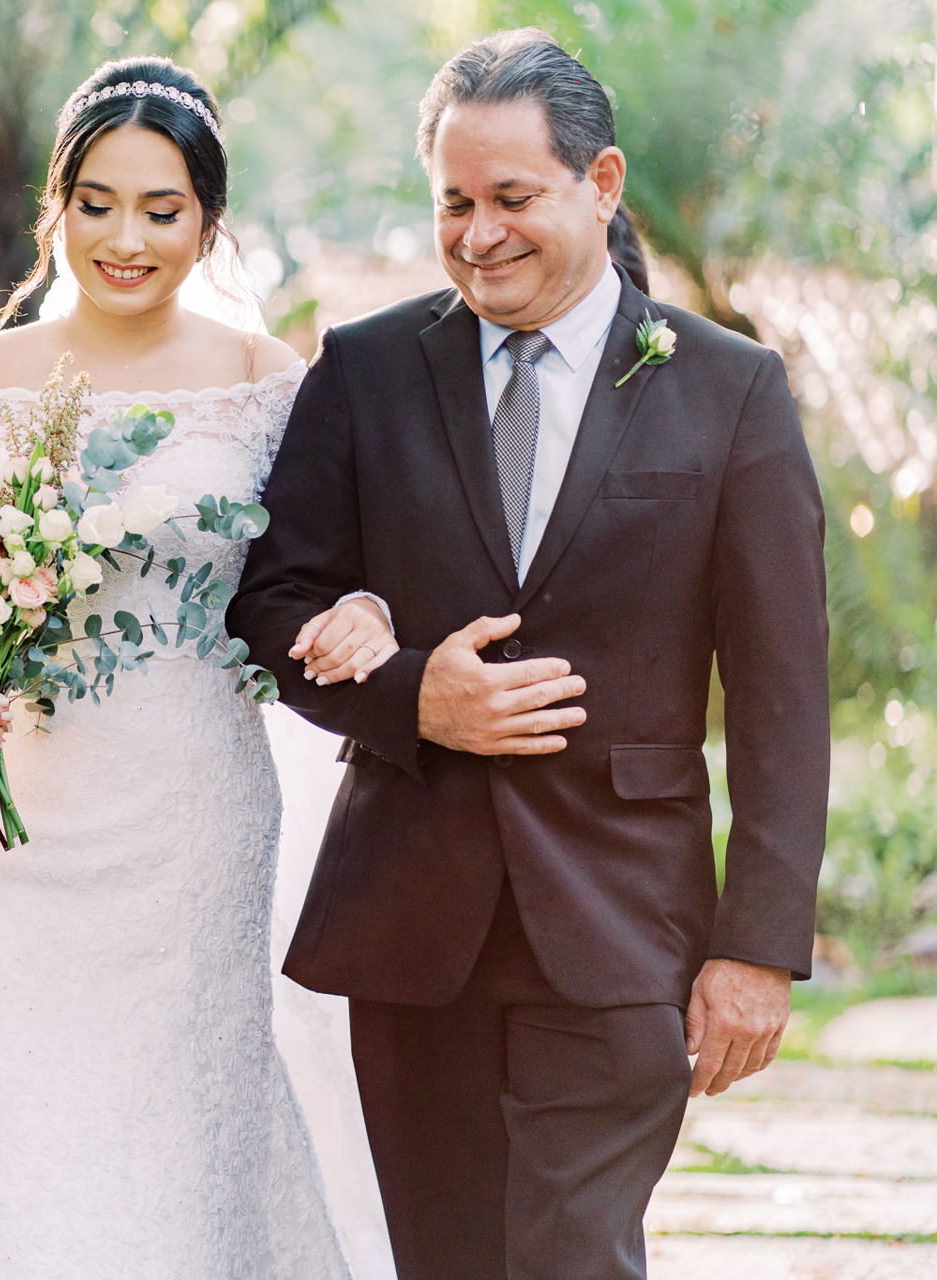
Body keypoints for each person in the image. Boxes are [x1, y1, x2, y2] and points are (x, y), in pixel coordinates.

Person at [227, 28, 829, 1280]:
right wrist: (409, 695)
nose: (479, 232)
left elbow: (784, 696)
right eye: (455, 201)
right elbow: (269, 599)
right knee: (445, 1261)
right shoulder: (367, 368)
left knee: (572, 1258)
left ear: (599, 186)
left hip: (622, 923)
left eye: (512, 198)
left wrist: (757, 944)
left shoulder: (729, 389)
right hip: (410, 927)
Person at [0, 56, 397, 1279]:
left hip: (194, 807)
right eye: (98, 202)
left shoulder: (267, 381)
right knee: (2, 1090)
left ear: (209, 221)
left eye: (164, 209)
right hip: (23, 816)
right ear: (57, 206)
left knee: (175, 1114)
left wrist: (362, 604)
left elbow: (330, 566)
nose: (128, 237)